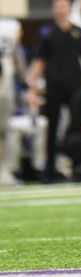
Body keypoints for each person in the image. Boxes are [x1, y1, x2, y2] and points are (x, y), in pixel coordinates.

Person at [27, 0, 81, 183]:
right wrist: (33, 87)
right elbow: (39, 62)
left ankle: (77, 166)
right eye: (57, 6)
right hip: (53, 85)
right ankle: (51, 168)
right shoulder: (47, 32)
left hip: (75, 85)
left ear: (70, 8)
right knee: (52, 127)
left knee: (77, 126)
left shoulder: (79, 32)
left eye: (64, 5)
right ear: (53, 9)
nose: (61, 9)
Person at [0, 12, 22, 186]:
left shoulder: (11, 25)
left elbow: (16, 55)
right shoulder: (11, 25)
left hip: (6, 82)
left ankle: (6, 170)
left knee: (7, 128)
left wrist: (26, 80)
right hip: (6, 83)